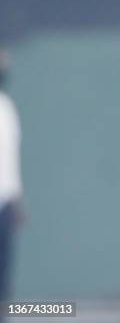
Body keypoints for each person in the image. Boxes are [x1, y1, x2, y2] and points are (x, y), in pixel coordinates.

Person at [0, 50, 23, 323]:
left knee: (4, 273)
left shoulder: (7, 107)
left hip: (5, 203)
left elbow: (9, 158)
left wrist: (16, 199)